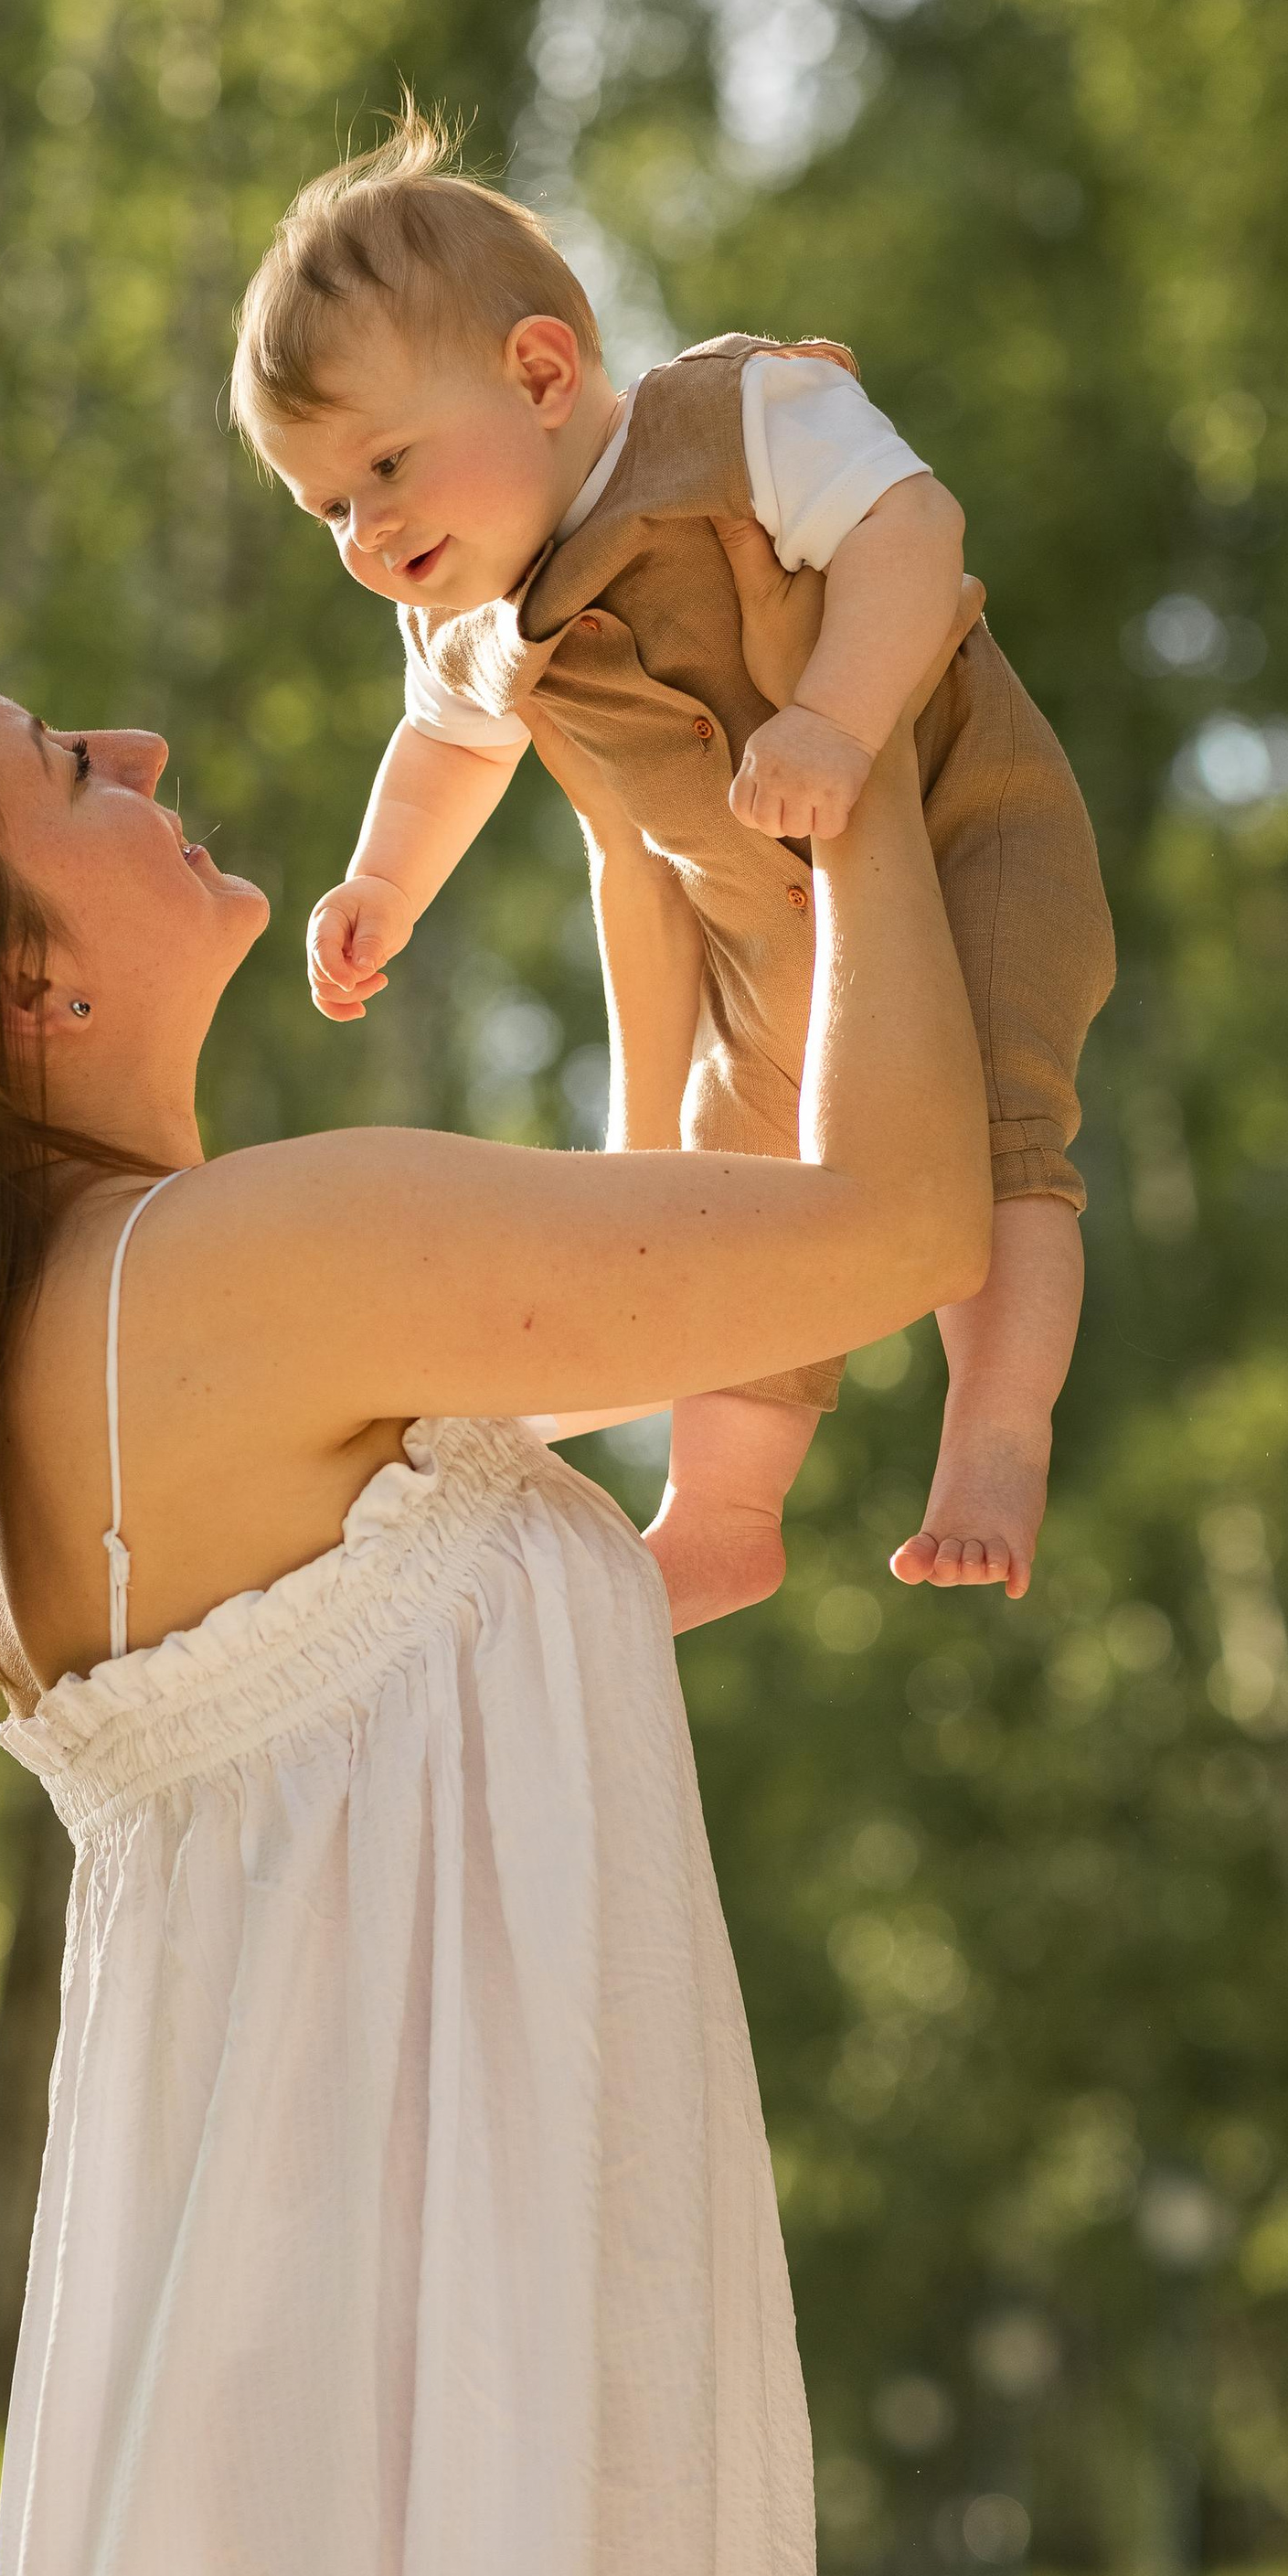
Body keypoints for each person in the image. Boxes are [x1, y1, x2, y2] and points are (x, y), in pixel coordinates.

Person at [0, 645, 988, 2576]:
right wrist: (851, 752)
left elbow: (650, 1246)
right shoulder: (241, 1275)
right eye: (66, 770)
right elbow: (900, 1220)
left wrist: (638, 854)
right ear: (10, 979)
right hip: (433, 2367)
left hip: (307, 2356)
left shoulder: (40, 1387)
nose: (139, 746)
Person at [234, 110, 1113, 1631]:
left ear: (541, 372)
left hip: (964, 826)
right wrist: (383, 886)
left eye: (384, 464)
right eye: (328, 505)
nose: (369, 529)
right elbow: (444, 752)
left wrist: (835, 719)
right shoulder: (475, 623)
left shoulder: (743, 418)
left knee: (1002, 1119)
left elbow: (916, 529)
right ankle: (721, 1511)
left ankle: (996, 1433)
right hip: (766, 937)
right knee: (732, 1201)